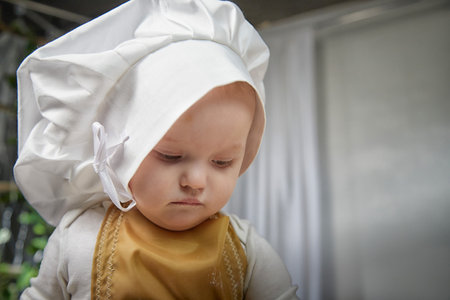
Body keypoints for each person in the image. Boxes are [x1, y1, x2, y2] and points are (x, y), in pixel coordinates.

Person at [14, 0, 299, 299]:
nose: (196, 181)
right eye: (171, 156)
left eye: (222, 161)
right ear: (119, 149)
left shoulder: (244, 249)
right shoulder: (79, 235)